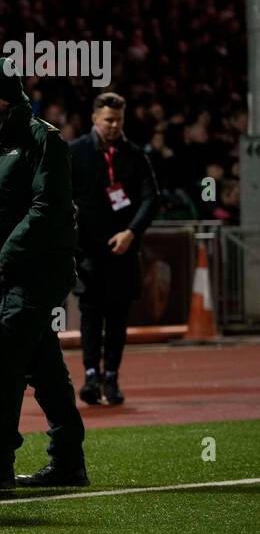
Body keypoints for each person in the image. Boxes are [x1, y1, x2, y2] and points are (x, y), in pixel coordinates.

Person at [0, 58, 87, 490]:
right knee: (41, 363)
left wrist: (4, 255)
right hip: (4, 269)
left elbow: (47, 207)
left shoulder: (41, 141)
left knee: (4, 353)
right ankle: (68, 461)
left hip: (39, 268)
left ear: (4, 98)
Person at [70, 92, 158, 406]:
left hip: (124, 250)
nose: (113, 125)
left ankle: (112, 377)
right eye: (108, 119)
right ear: (95, 118)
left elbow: (151, 199)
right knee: (91, 314)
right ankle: (91, 373)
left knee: (118, 316)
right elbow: (58, 195)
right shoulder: (75, 153)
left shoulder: (135, 155)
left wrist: (131, 233)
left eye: (118, 120)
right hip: (88, 251)